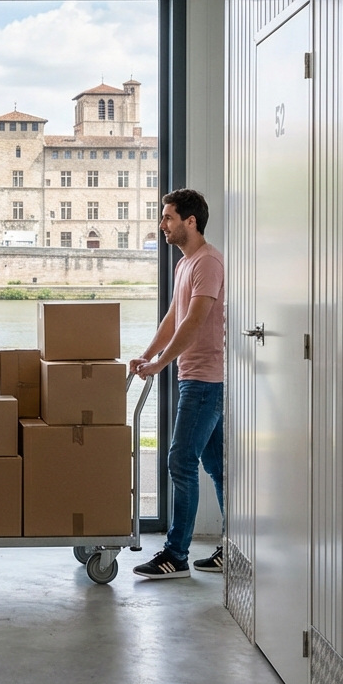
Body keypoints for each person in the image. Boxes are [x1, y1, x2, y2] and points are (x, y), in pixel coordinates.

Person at [129, 189, 225, 580]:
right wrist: (147, 354)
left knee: (180, 461)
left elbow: (195, 322)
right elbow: (174, 315)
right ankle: (234, 546)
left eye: (168, 217)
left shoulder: (209, 263)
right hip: (194, 376)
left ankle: (176, 555)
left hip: (205, 379)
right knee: (217, 467)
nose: (161, 224)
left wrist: (160, 365)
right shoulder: (184, 264)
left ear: (191, 221)